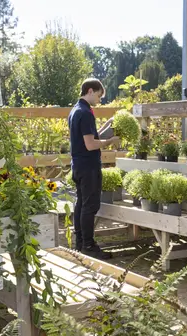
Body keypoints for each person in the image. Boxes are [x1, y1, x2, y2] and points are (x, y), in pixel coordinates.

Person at [68, 78, 119, 259]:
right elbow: (90, 144)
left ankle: (80, 243)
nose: (99, 100)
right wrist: (110, 142)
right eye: (98, 95)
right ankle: (89, 245)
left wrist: (109, 124)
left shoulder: (76, 110)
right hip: (89, 166)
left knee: (81, 203)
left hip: (78, 165)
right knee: (90, 206)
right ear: (90, 91)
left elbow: (91, 135)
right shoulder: (86, 113)